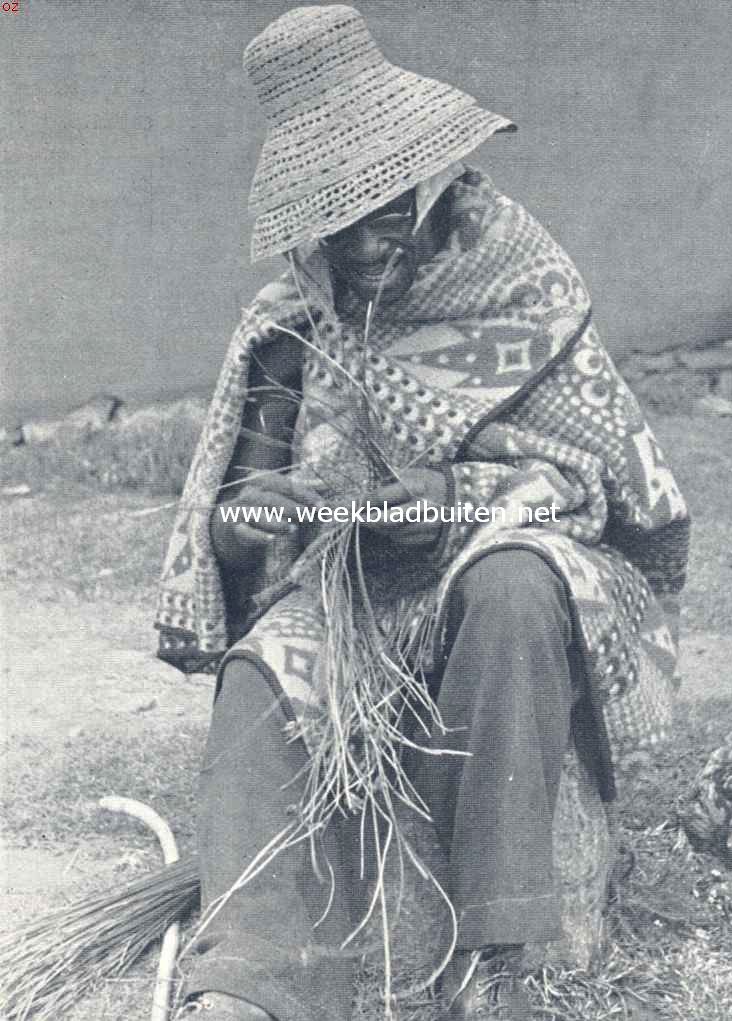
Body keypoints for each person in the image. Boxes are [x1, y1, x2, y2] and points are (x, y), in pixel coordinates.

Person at [156, 6, 690, 1020]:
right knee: (262, 674)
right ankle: (254, 980)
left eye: (386, 199)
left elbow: (594, 479)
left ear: (432, 171)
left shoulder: (521, 283)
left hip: (526, 568)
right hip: (355, 603)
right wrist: (257, 519)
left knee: (508, 586)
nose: (368, 235)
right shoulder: (290, 323)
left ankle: (496, 959)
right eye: (337, 213)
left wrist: (452, 502)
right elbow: (226, 540)